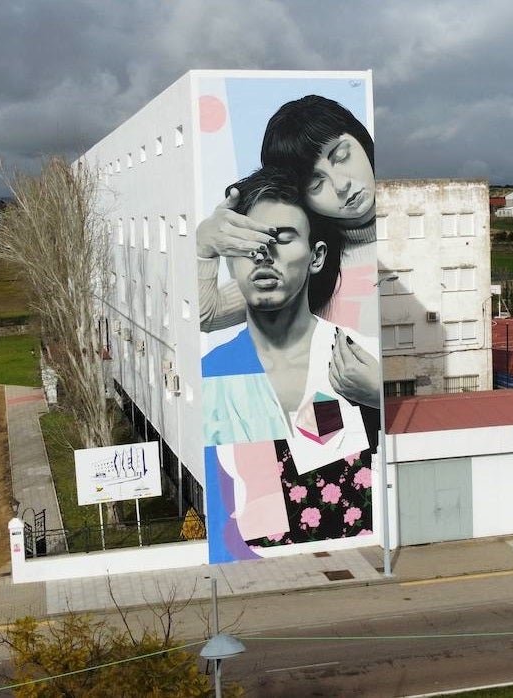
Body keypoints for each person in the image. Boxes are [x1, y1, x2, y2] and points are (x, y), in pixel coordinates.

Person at [201, 169, 376, 553]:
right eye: (247, 242)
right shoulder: (214, 371)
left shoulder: (357, 359)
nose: (263, 255)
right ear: (230, 262)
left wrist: (379, 396)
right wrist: (203, 247)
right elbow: (228, 509)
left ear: (316, 258)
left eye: (281, 238)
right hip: (250, 581)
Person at [197, 94, 380, 407]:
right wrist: (204, 247)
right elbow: (207, 315)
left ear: (362, 140)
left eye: (340, 156)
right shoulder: (305, 260)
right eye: (315, 182)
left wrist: (380, 395)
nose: (341, 185)